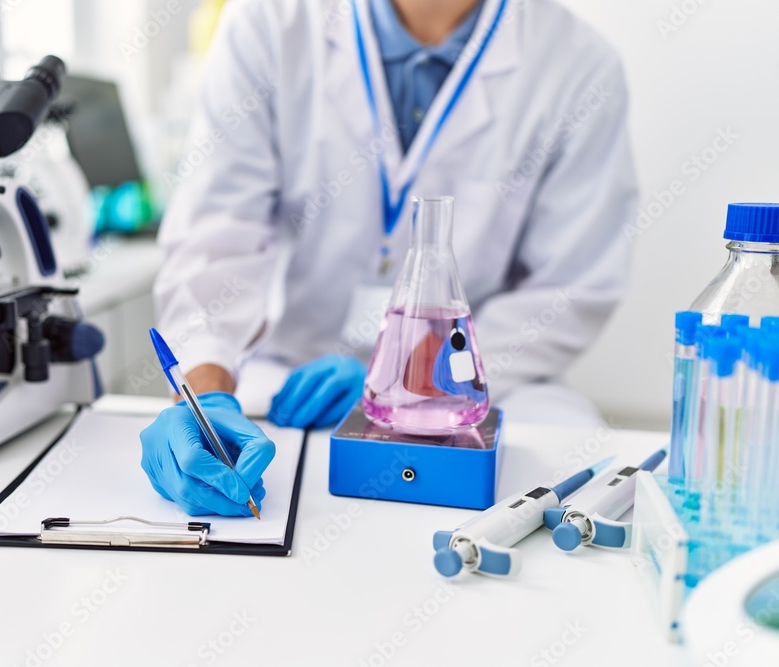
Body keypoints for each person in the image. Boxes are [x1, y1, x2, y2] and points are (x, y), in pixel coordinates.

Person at [139, 0, 638, 516]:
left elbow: (570, 287)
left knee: (575, 475)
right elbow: (216, 239)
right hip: (296, 376)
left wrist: (419, 382)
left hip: (473, 383)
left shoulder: (578, 66)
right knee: (273, 499)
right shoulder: (269, 23)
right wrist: (205, 396)